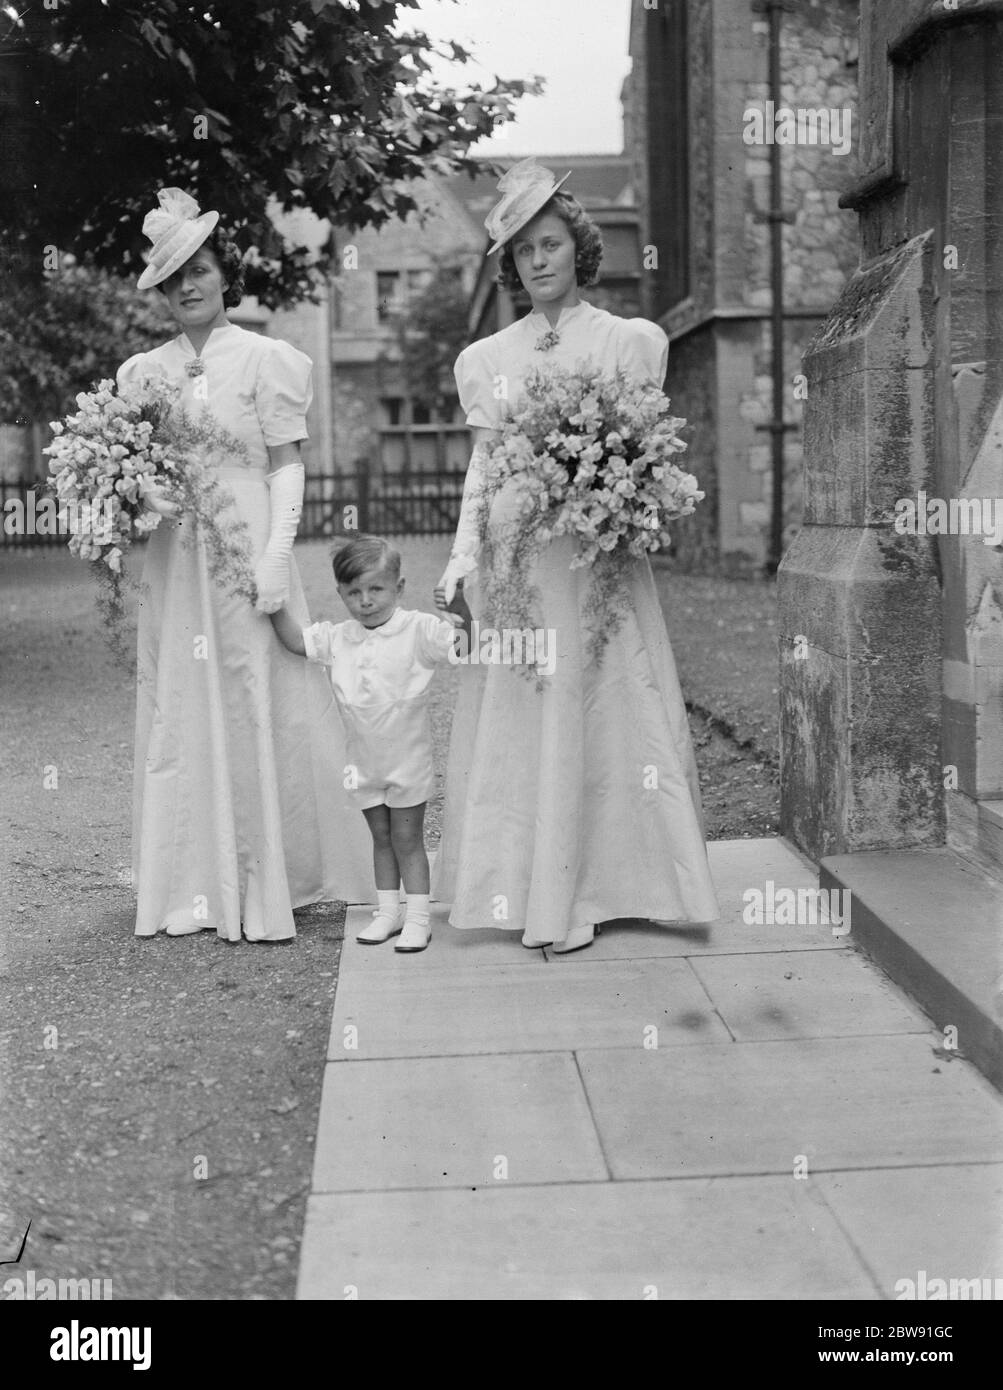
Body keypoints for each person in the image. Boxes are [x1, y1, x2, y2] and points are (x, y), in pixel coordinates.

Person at [433, 158, 721, 953]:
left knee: (607, 702)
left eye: (550, 243)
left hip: (595, 559)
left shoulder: (628, 341)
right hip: (521, 564)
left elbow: (649, 453)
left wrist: (616, 496)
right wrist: (462, 562)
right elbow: (483, 471)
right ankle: (530, 886)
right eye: (523, 251)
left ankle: (612, 883)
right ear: (511, 266)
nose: (538, 261)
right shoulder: (488, 360)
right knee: (531, 713)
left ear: (577, 247)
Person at [117, 187, 372, 941]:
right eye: (172, 277)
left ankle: (269, 880)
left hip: (250, 538)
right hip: (178, 559)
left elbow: (287, 464)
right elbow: (129, 470)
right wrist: (144, 496)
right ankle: (194, 880)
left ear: (225, 274)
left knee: (260, 691)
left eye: (198, 268)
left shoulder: (267, 359)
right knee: (183, 696)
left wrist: (275, 553)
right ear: (161, 292)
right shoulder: (141, 373)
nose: (187, 285)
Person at [269, 534, 472, 954]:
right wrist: (272, 601)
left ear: (398, 587)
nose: (365, 600)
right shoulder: (340, 637)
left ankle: (418, 918)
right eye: (354, 592)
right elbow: (295, 641)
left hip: (407, 761)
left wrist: (460, 611)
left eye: (376, 589)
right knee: (380, 837)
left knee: (408, 839)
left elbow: (464, 648)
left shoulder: (417, 630)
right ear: (341, 592)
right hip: (362, 764)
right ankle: (388, 910)